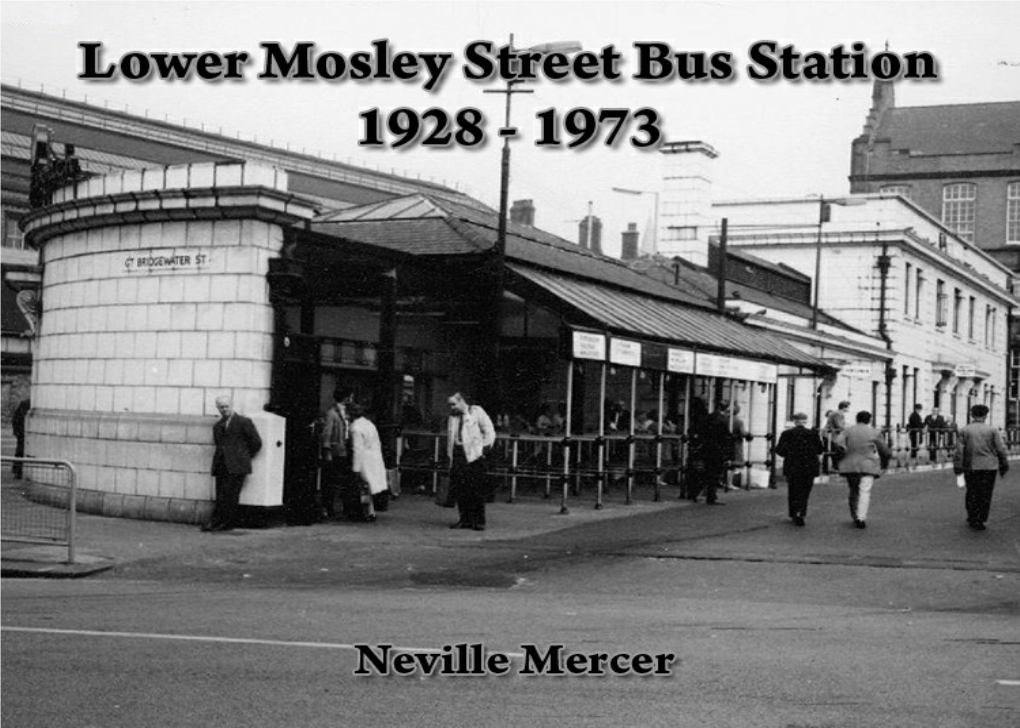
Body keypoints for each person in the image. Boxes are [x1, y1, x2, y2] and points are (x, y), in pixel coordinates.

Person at [204, 395, 262, 532]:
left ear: (231, 405)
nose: (224, 409)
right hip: (222, 465)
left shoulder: (244, 422)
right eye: (221, 407)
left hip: (237, 465)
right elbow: (219, 444)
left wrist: (244, 457)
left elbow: (256, 442)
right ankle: (219, 522)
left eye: (226, 406)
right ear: (217, 408)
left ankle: (225, 523)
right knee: (221, 495)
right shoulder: (218, 426)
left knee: (230, 495)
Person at [953, 404, 1009, 531]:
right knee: (985, 493)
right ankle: (981, 518)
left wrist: (958, 466)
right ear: (985, 416)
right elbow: (1000, 449)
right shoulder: (992, 430)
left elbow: (959, 451)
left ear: (972, 415)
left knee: (972, 491)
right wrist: (1003, 463)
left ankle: (972, 516)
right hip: (989, 467)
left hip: (971, 466)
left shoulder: (964, 430)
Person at [446, 391, 496, 531]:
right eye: (450, 405)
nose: (452, 408)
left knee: (476, 489)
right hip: (458, 454)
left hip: (474, 456)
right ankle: (464, 519)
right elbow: (451, 437)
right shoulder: (453, 418)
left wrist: (484, 448)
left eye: (454, 404)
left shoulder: (477, 411)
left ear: (462, 401)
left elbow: (489, 430)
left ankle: (479, 521)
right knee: (461, 489)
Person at [835, 410, 891, 529]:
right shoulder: (874, 432)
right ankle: (861, 517)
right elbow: (884, 450)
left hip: (850, 464)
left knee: (853, 490)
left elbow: (839, 443)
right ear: (869, 420)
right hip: (868, 464)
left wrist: (841, 457)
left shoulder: (848, 430)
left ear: (857, 419)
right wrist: (884, 464)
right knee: (864, 491)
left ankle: (854, 514)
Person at [775, 413, 824, 526]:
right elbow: (820, 449)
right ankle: (801, 512)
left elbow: (780, 451)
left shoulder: (786, 434)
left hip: (793, 465)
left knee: (793, 489)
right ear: (805, 421)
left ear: (794, 421)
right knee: (805, 490)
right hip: (809, 466)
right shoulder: (813, 434)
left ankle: (793, 513)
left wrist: (790, 454)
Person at [348, 402, 389, 522]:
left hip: (364, 460)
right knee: (370, 487)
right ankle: (371, 511)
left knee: (364, 487)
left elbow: (357, 449)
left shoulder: (355, 428)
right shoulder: (369, 424)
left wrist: (355, 468)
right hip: (375, 458)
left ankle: (366, 512)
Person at [690, 400, 734, 505]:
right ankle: (711, 496)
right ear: (727, 409)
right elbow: (726, 438)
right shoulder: (723, 420)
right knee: (715, 474)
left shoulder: (708, 418)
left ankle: (695, 493)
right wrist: (728, 454)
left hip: (706, 448)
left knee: (706, 472)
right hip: (717, 450)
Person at [320, 386, 353, 521]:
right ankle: (329, 507)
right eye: (351, 396)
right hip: (336, 451)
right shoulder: (332, 413)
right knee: (331, 481)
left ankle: (340, 507)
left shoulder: (347, 412)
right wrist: (326, 449)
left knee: (342, 480)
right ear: (346, 398)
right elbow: (327, 433)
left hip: (345, 450)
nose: (352, 399)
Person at [11, 398, 30, 479]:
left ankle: (16, 469)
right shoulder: (25, 404)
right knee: (20, 451)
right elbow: (16, 419)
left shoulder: (25, 404)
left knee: (19, 451)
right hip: (22, 433)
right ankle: (17, 470)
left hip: (22, 433)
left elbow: (15, 419)